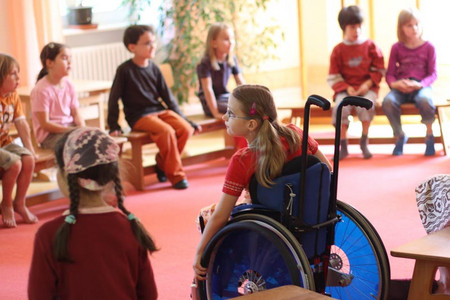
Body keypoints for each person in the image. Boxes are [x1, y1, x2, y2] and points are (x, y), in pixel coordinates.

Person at [193, 84, 332, 280]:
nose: (224, 117)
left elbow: (221, 216)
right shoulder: (296, 134)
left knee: (207, 215)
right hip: (309, 221)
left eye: (231, 113)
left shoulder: (243, 159)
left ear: (251, 125)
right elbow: (327, 169)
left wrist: (200, 252)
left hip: (267, 229)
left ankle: (228, 276)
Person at [28, 127, 158, 299]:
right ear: (112, 176)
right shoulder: (131, 227)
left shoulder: (49, 234)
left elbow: (39, 296)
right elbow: (149, 295)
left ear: (63, 175)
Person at [108, 24, 198, 190]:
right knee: (167, 132)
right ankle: (176, 176)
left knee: (185, 129)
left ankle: (162, 163)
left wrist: (185, 119)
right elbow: (113, 98)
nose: (153, 46)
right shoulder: (124, 70)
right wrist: (113, 125)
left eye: (153, 41)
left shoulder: (154, 68)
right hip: (139, 117)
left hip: (159, 111)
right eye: (147, 43)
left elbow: (168, 98)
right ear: (132, 47)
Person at [327, 5, 385, 160]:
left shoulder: (371, 46)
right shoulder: (338, 50)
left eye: (360, 26)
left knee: (367, 106)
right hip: (346, 90)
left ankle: (364, 142)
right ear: (344, 28)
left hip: (367, 87)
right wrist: (347, 88)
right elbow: (333, 76)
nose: (357, 31)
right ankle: (343, 145)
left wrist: (366, 85)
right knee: (340, 108)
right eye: (353, 27)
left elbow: (379, 69)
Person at [382, 8, 437, 156]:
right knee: (387, 101)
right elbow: (390, 74)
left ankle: (429, 135)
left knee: (425, 100)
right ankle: (399, 135)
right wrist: (395, 84)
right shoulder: (396, 47)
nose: (415, 28)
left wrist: (420, 84)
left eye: (417, 24)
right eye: (409, 25)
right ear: (401, 28)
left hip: (421, 86)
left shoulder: (429, 47)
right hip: (401, 87)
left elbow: (433, 74)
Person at [0, 53, 38, 228]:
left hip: (4, 142)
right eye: (13, 74)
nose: (18, 78)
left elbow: (21, 123)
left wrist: (30, 148)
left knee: (28, 159)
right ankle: (6, 203)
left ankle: (20, 203)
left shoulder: (13, 96)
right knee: (14, 163)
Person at [30, 42, 85, 150]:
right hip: (50, 136)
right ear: (50, 63)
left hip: (69, 130)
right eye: (64, 58)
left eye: (70, 58)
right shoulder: (41, 90)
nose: (69, 62)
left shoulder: (69, 85)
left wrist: (83, 129)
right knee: (74, 146)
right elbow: (45, 124)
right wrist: (70, 130)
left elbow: (76, 114)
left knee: (94, 138)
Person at [197, 22, 245, 119]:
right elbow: (208, 90)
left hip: (223, 97)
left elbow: (241, 82)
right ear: (214, 43)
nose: (231, 42)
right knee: (237, 108)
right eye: (226, 39)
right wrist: (215, 114)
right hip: (210, 102)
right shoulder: (205, 63)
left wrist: (250, 98)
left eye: (232, 38)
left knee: (244, 104)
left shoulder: (232, 59)